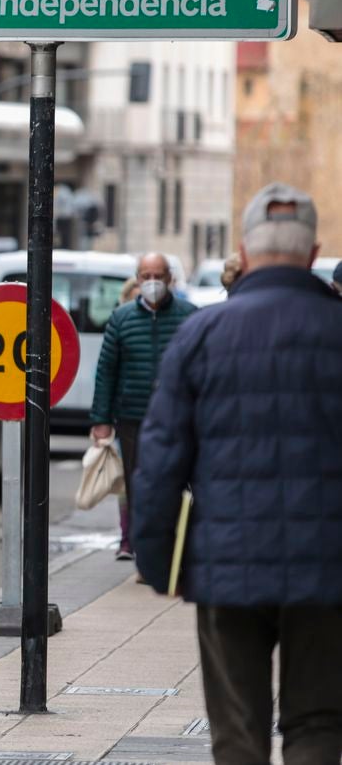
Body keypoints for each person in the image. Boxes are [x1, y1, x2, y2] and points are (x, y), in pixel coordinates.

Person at [132, 182, 342, 765]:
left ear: (245, 255)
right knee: (320, 725)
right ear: (313, 251)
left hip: (227, 566)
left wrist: (157, 563)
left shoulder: (202, 337)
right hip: (327, 569)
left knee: (238, 735)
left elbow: (159, 464)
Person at [90, 252, 197, 562]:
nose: (152, 283)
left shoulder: (189, 316)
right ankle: (144, 551)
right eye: (146, 276)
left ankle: (176, 546)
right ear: (137, 279)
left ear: (170, 279)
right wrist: (101, 419)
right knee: (138, 486)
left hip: (177, 416)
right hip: (132, 417)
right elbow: (106, 370)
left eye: (158, 276)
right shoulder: (121, 318)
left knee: (178, 480)